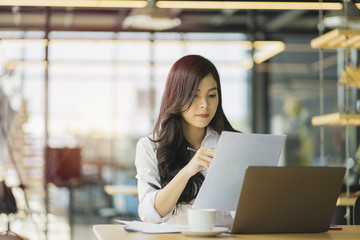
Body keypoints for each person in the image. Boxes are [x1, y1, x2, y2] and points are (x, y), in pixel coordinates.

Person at [135, 54, 238, 225]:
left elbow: (244, 214)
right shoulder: (150, 146)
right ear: (176, 96)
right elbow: (149, 214)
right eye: (194, 95)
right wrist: (188, 170)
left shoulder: (231, 144)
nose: (204, 104)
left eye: (211, 95)